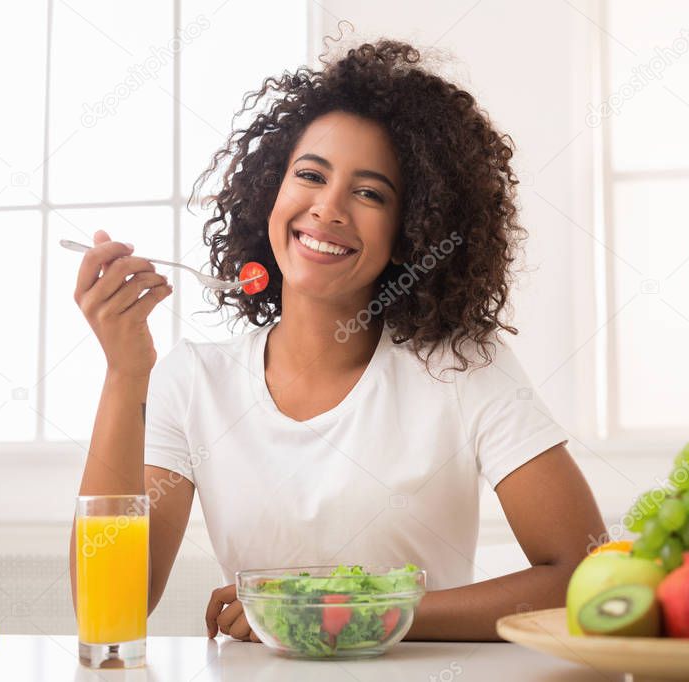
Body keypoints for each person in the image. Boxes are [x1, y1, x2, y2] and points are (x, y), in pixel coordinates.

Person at [69, 38, 605, 643]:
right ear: (271, 191)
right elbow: (106, 608)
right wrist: (124, 373)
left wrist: (351, 612)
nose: (328, 207)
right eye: (310, 175)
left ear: (412, 230)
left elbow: (581, 573)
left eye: (370, 192)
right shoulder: (194, 382)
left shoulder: (460, 369)